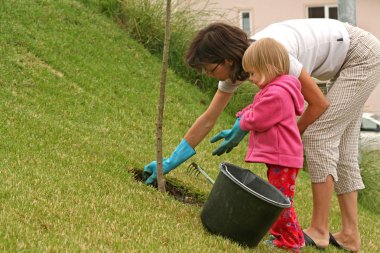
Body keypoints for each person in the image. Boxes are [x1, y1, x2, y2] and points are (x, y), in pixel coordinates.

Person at [143, 19, 380, 252]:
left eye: (210, 69)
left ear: (227, 59)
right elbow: (208, 118)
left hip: (361, 54)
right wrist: (169, 162)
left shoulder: (274, 56)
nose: (208, 75)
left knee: (318, 137)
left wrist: (293, 136)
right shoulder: (248, 65)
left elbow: (318, 104)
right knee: (344, 150)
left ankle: (319, 230)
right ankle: (350, 235)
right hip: (346, 58)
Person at [238, 37, 305, 252]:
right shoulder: (275, 90)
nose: (250, 78)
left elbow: (259, 118)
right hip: (281, 156)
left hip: (282, 156)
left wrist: (244, 119)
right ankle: (286, 236)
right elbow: (257, 106)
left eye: (252, 73)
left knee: (280, 200)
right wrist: (246, 111)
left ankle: (292, 242)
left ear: (267, 68)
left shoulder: (277, 93)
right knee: (278, 198)